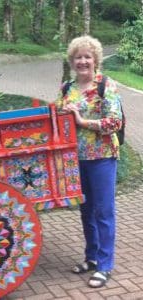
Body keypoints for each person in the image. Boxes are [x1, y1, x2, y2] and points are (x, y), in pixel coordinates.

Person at [55, 35, 122, 288]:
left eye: (87, 56)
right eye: (78, 57)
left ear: (95, 60)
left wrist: (83, 122)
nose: (82, 61)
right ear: (72, 61)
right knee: (86, 211)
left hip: (102, 156)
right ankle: (92, 258)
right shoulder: (66, 88)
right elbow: (59, 118)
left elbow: (115, 122)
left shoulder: (106, 85)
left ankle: (105, 266)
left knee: (104, 212)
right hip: (75, 158)